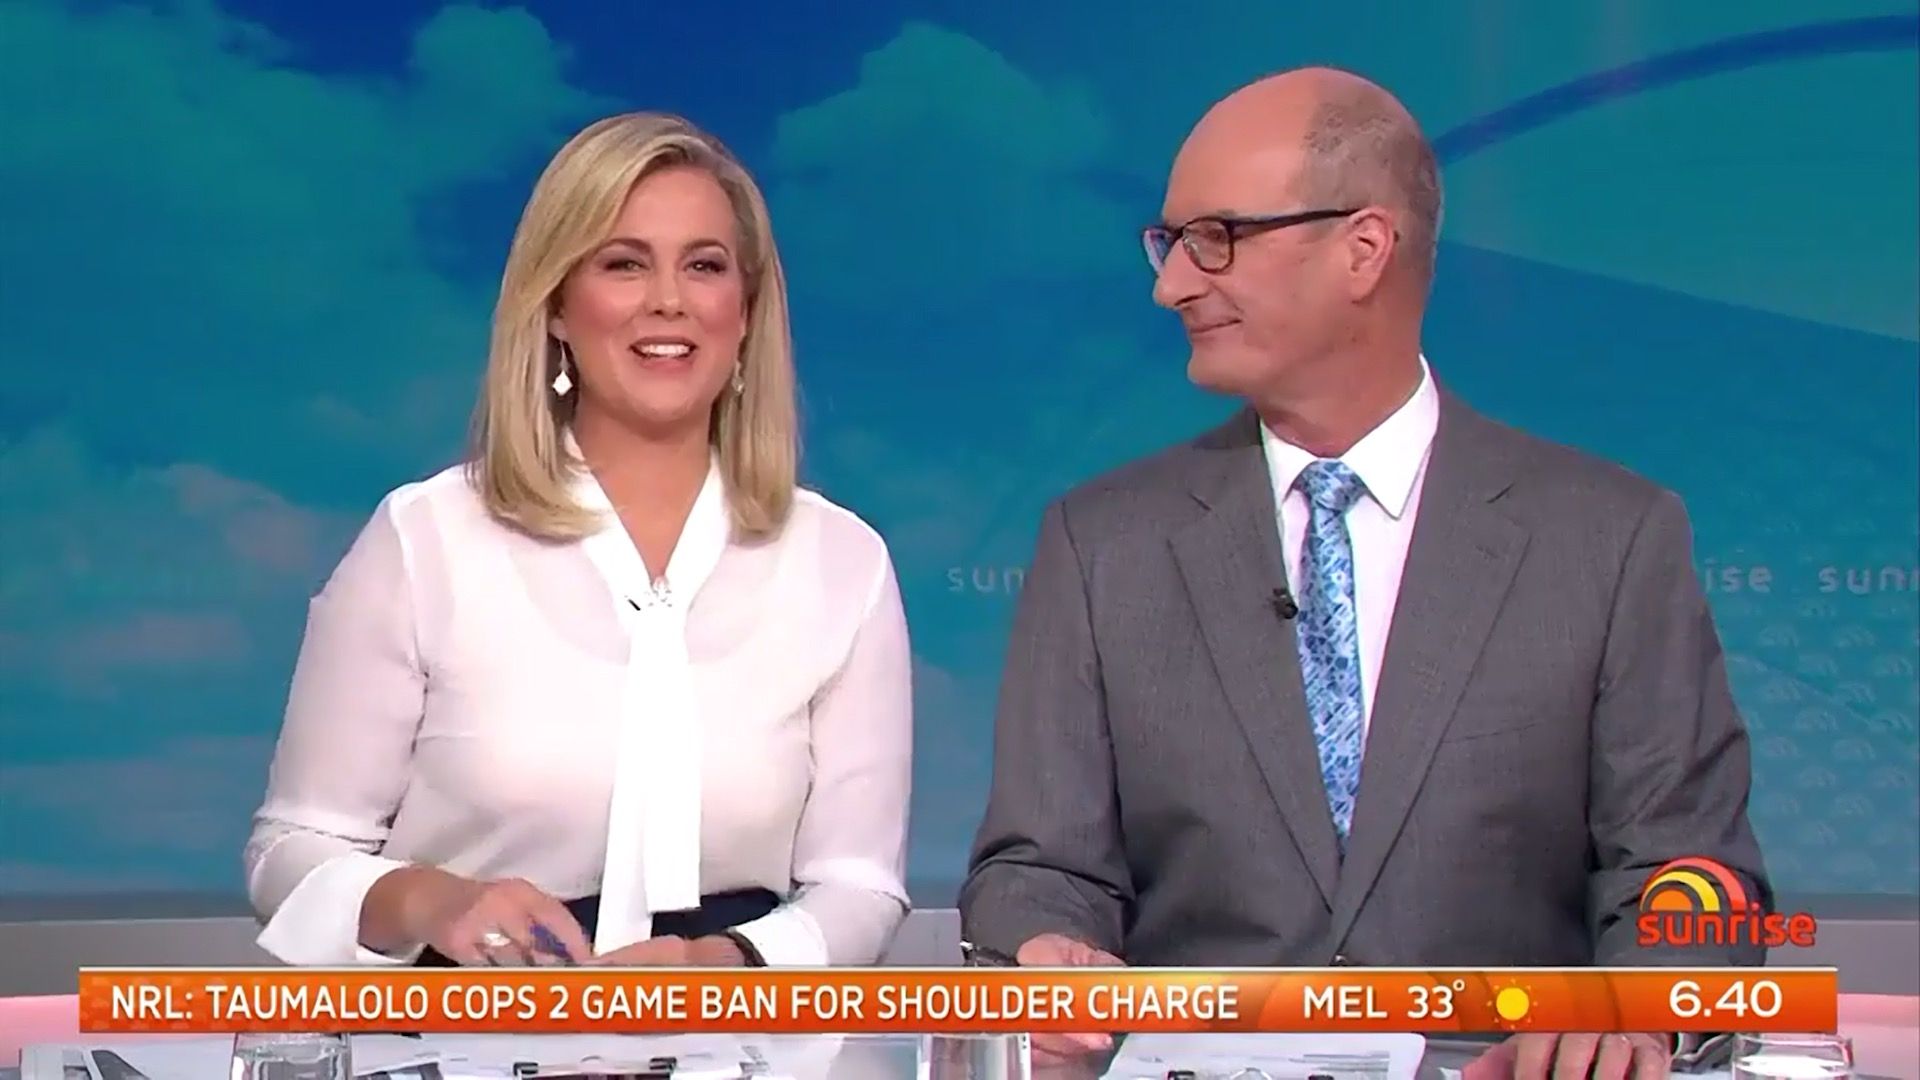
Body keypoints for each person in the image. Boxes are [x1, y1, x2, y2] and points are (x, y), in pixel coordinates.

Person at [960, 68, 1768, 1077]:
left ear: (1364, 248)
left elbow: (1692, 874)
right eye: (1169, 244)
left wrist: (1635, 1012)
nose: (1172, 285)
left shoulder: (1609, 538)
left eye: (1215, 238)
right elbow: (1038, 868)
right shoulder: (1102, 545)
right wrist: (1040, 945)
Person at [244, 112, 913, 969]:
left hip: (734, 1030)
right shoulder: (425, 539)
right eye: (623, 263)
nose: (668, 300)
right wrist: (435, 902)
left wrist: (718, 967)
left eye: (704, 266)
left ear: (745, 311)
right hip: (469, 1025)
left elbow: (859, 884)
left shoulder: (842, 561)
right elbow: (290, 849)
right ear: (558, 305)